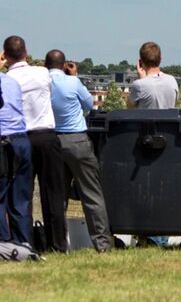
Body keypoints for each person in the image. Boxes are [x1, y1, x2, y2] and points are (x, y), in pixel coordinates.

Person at [2, 36, 67, 252]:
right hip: (47, 135)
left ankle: (25, 241)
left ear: (5, 55)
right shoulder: (42, 73)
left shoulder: (9, 79)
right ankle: (57, 243)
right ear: (26, 52)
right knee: (54, 194)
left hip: (22, 136)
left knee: (23, 194)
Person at [45, 49, 112, 252]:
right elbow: (89, 104)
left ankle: (57, 244)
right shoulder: (73, 82)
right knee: (92, 194)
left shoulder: (42, 82)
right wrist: (74, 76)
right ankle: (102, 243)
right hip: (77, 139)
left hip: (53, 140)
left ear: (45, 65)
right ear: (64, 65)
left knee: (57, 196)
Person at [0, 68, 33, 247]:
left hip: (3, 139)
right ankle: (23, 244)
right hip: (21, 138)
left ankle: (3, 244)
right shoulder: (12, 81)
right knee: (20, 198)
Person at [127, 42, 178, 109]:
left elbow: (130, 109)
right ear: (160, 59)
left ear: (140, 62)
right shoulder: (172, 81)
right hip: (168, 119)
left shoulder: (139, 85)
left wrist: (142, 80)